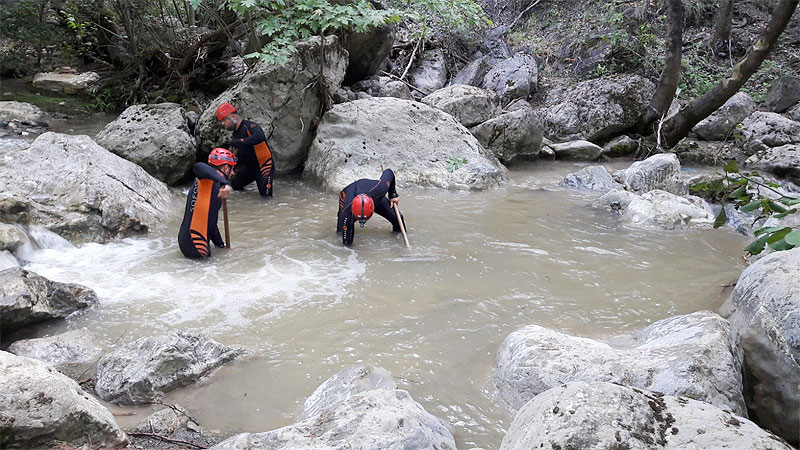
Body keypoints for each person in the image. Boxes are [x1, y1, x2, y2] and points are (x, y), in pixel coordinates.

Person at [178, 148, 236, 259]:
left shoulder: (212, 184)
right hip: (195, 244)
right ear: (226, 168)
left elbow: (211, 222)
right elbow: (198, 166)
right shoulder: (205, 179)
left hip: (187, 240)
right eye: (232, 169)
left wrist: (220, 246)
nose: (233, 173)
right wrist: (225, 182)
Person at [216, 102, 274, 197]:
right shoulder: (235, 134)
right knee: (234, 187)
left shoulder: (250, 126)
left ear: (233, 117)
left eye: (224, 120)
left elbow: (260, 137)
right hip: (249, 168)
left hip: (264, 166)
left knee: (266, 197)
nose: (222, 124)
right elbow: (239, 153)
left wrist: (240, 142)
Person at [337, 168, 405, 246]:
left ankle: (399, 245)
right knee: (342, 232)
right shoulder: (347, 211)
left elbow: (389, 172)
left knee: (398, 219)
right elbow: (346, 244)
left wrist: (392, 194)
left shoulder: (380, 188)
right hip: (348, 196)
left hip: (374, 197)